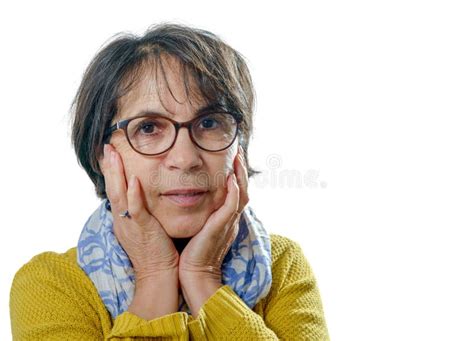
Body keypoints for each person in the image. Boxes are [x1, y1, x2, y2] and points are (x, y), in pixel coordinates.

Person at [9, 23, 330, 340]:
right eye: (148, 128)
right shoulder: (51, 284)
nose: (186, 158)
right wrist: (155, 275)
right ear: (102, 156)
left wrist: (204, 278)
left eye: (209, 122)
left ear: (239, 146)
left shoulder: (282, 265)